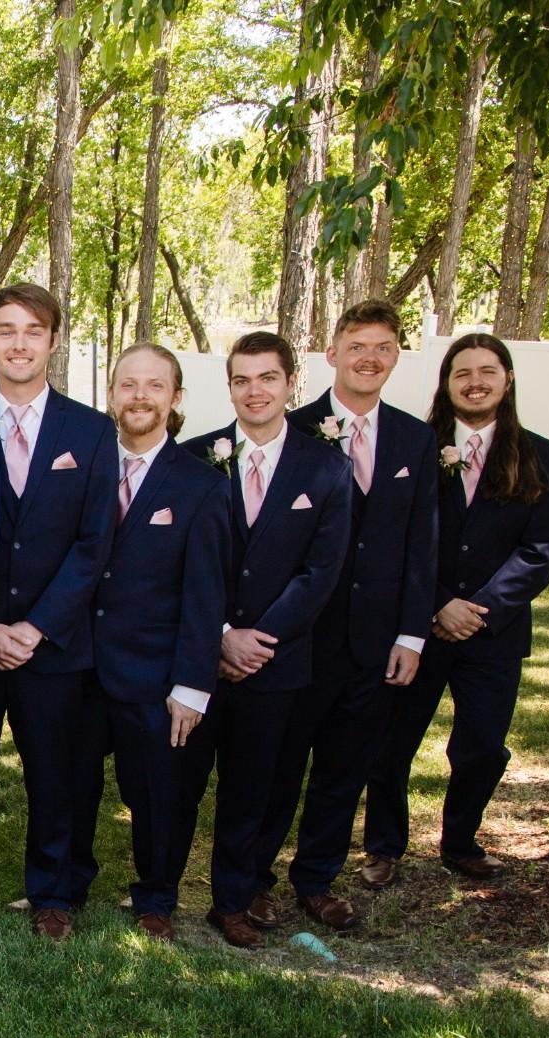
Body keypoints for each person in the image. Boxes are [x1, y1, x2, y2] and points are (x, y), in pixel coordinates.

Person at [364, 333, 549, 880]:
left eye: (487, 372)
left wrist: (478, 609)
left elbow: (539, 551)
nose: (475, 383)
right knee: (391, 741)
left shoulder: (542, 456)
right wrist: (437, 605)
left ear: (508, 379)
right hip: (418, 626)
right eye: (463, 373)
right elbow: (393, 539)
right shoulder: (416, 447)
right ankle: (383, 846)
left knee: (482, 747)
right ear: (447, 384)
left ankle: (460, 841)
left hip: (493, 633)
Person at [0, 283, 118, 941]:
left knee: (57, 775)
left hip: (53, 641)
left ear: (53, 341)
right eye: (6, 330)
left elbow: (93, 543)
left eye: (32, 331)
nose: (18, 343)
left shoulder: (91, 430)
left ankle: (53, 892)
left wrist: (36, 626)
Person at [260, 301, 438, 904]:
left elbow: (422, 545)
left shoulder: (416, 439)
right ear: (332, 354)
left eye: (383, 347)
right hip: (301, 637)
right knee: (280, 768)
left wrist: (411, 635)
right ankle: (254, 879)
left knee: (343, 771)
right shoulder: (291, 429)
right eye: (357, 346)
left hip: (374, 642)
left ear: (396, 357)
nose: (369, 358)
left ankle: (316, 880)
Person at [181, 332, 351, 948]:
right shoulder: (195, 459)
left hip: (276, 660)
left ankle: (232, 900)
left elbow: (321, 571)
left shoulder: (326, 467)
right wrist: (223, 635)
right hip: (199, 654)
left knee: (254, 786)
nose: (255, 391)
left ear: (290, 384)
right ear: (229, 387)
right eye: (242, 380)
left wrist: (259, 640)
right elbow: (179, 562)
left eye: (268, 378)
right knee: (182, 780)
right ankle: (160, 893)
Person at [71, 345, 230, 940]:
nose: (140, 396)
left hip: (157, 671)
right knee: (70, 783)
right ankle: (65, 886)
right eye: (129, 384)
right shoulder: (82, 466)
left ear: (175, 397)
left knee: (160, 792)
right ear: (111, 394)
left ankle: (156, 895)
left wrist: (192, 685)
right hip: (79, 661)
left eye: (155, 386)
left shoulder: (201, 484)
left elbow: (206, 593)